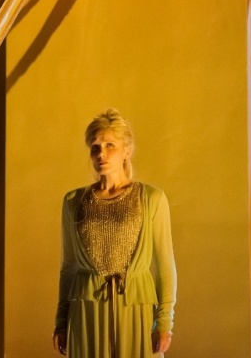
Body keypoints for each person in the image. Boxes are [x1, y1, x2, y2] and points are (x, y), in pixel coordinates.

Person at [53, 109, 176, 358]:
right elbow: (69, 267)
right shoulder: (73, 201)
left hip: (136, 309)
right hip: (86, 310)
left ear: (126, 150)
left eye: (110, 145)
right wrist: (61, 320)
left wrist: (164, 322)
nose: (102, 153)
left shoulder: (151, 198)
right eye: (95, 147)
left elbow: (165, 265)